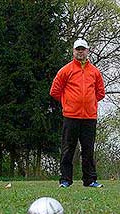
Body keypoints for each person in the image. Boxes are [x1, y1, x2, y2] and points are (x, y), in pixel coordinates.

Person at [50, 38, 105, 188]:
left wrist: (89, 102)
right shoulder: (65, 70)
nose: (80, 52)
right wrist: (69, 102)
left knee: (88, 150)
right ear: (73, 51)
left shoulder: (95, 72)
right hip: (70, 116)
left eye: (83, 49)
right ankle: (65, 180)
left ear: (87, 51)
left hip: (89, 117)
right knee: (68, 149)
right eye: (77, 49)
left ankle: (90, 180)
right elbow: (54, 91)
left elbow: (100, 93)